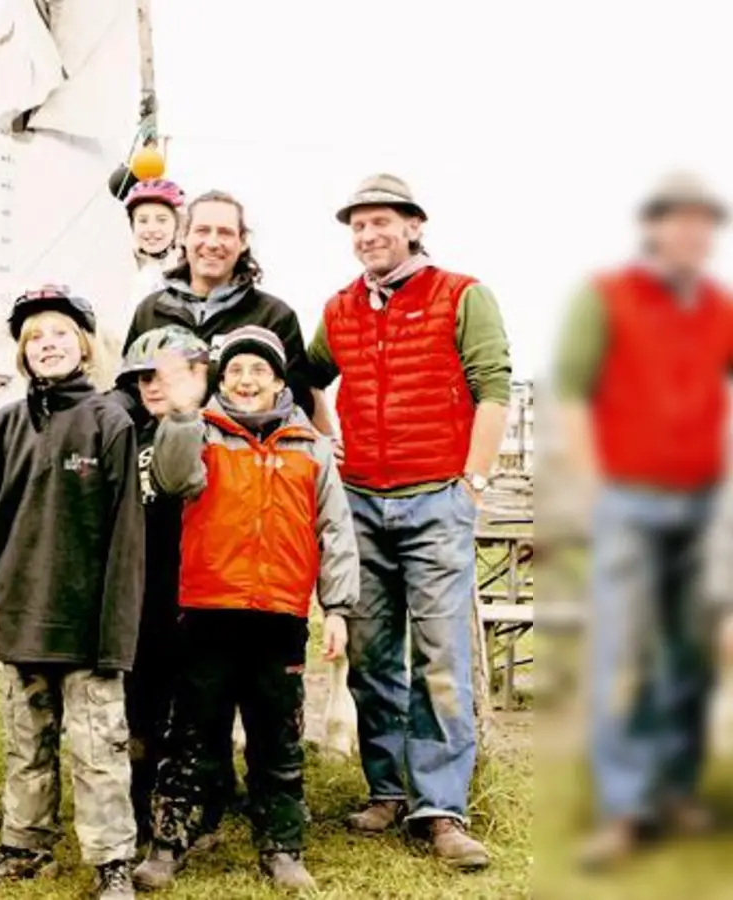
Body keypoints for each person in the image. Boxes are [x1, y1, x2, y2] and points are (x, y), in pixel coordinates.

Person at [303, 173, 510, 869]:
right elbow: (305, 376)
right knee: (370, 654)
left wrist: (472, 482)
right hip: (360, 499)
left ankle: (441, 807)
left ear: (413, 226)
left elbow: (493, 389)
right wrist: (326, 439)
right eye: (358, 226)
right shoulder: (338, 309)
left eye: (382, 222)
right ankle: (387, 789)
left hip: (435, 500)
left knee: (441, 656)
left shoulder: (462, 294)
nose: (369, 236)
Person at [0, 286, 144, 900]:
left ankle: (111, 862)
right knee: (27, 743)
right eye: (35, 339)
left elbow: (127, 537)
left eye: (60, 334)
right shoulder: (6, 421)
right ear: (23, 355)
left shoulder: (109, 419)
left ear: (83, 345)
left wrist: (116, 634)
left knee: (99, 749)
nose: (47, 345)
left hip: (88, 626)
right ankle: (24, 844)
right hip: (25, 616)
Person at [130, 326, 358, 893]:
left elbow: (335, 530)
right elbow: (172, 477)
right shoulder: (199, 433)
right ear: (221, 381)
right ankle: (168, 842)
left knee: (276, 737)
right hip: (207, 611)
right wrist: (181, 417)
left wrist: (336, 608)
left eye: (259, 370)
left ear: (279, 381)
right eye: (235, 371)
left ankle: (281, 845)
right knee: (191, 735)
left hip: (280, 616)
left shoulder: (312, 447)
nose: (247, 380)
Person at [555, 171, 733, 868]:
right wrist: (595, 488)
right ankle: (623, 809)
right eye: (679, 222)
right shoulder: (606, 298)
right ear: (654, 228)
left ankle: (674, 790)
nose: (692, 235)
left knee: (690, 652)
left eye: (704, 225)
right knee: (624, 654)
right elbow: (571, 393)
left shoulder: (718, 306)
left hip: (703, 499)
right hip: (627, 497)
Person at [112, 326, 212, 849]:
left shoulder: (204, 431)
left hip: (193, 592)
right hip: (138, 594)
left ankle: (196, 811)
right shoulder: (123, 435)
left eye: (166, 376)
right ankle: (137, 809)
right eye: (144, 377)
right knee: (139, 710)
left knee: (193, 712)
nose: (154, 386)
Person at [120, 190, 322, 424]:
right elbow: (129, 388)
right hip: (166, 451)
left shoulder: (274, 316)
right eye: (202, 231)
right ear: (184, 236)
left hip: (243, 455)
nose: (213, 243)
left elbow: (298, 403)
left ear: (243, 242)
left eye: (225, 233)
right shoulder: (151, 310)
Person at [124, 179, 187, 306]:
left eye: (162, 220)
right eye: (143, 221)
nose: (151, 229)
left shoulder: (188, 273)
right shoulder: (144, 275)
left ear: (176, 225)